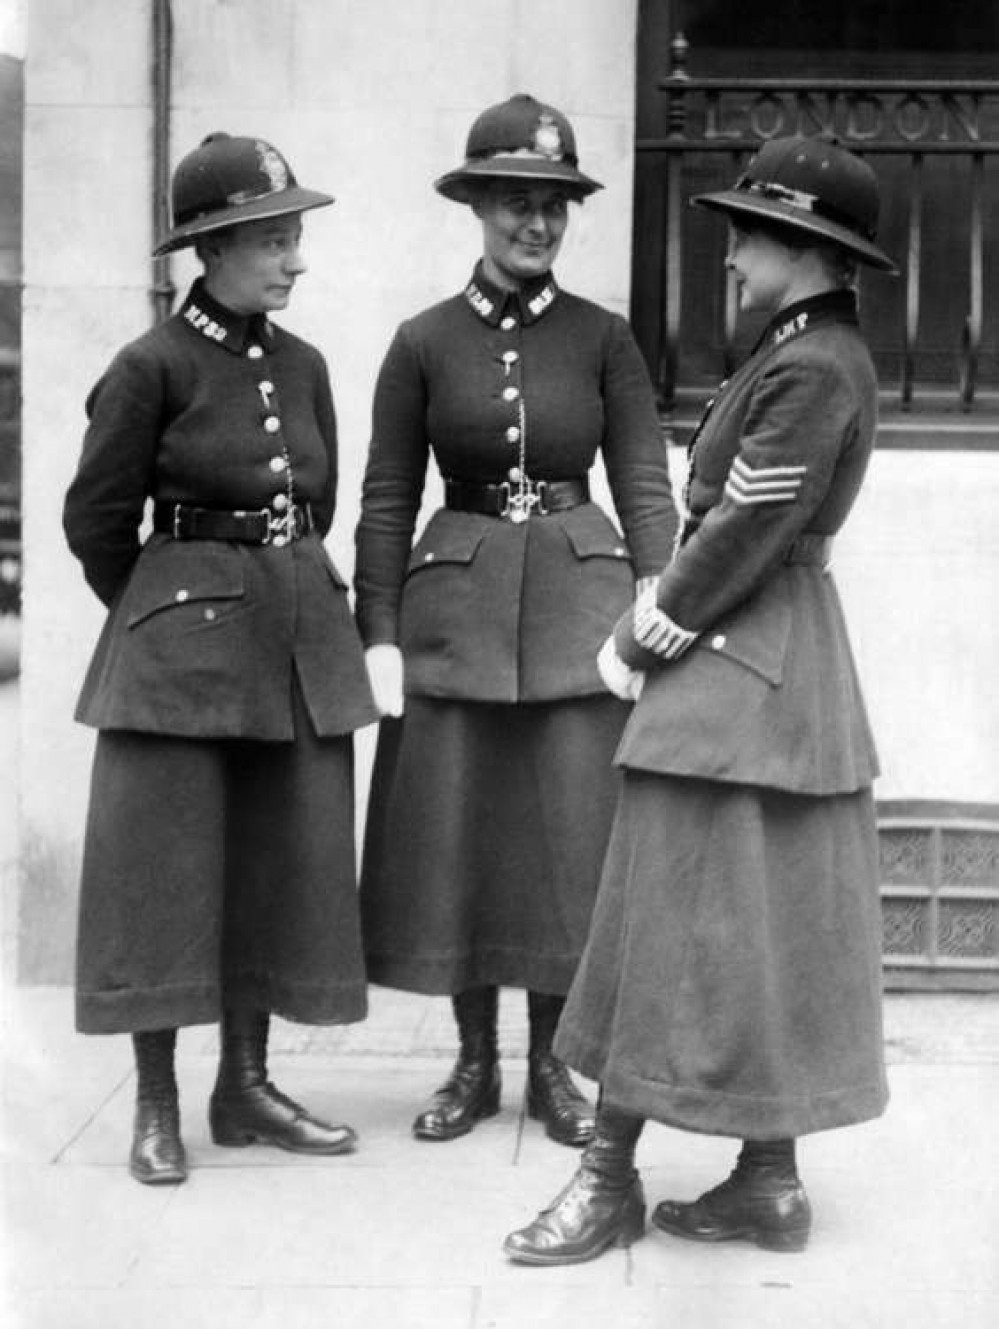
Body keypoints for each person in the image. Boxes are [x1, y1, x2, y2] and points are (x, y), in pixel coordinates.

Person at [503, 133, 897, 1263]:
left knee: (658, 913)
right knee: (747, 922)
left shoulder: (815, 365)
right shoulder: (801, 349)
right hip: (768, 665)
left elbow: (744, 529)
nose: (728, 254)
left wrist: (641, 633)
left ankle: (607, 1178)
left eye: (745, 233)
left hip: (740, 657)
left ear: (802, 247)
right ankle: (766, 1182)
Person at [354, 93, 678, 1148]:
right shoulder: (421, 343)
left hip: (581, 619)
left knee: (564, 846)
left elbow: (641, 481)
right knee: (460, 842)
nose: (535, 225)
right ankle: (471, 1064)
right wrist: (382, 633)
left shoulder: (605, 339)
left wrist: (656, 600)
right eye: (514, 204)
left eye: (553, 206)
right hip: (456, 613)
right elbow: (389, 496)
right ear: (479, 207)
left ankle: (553, 1067)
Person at [63, 132, 378, 1185]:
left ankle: (243, 1087)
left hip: (292, 648)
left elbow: (318, 504)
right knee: (166, 876)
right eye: (277, 241)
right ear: (215, 245)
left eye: (296, 239)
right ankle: (157, 1105)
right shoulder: (151, 366)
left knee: (273, 861)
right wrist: (170, 615)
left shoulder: (306, 365)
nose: (297, 262)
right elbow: (99, 522)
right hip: (180, 667)